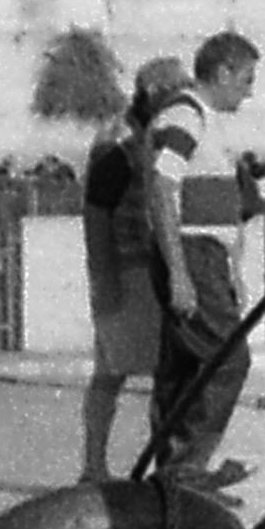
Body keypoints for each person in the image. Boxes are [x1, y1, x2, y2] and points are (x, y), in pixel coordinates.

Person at [157, 31, 264, 481]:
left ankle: (175, 475)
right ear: (222, 73)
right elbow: (162, 188)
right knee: (228, 359)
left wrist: (232, 268)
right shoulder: (185, 115)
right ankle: (186, 469)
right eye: (245, 80)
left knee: (186, 367)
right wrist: (179, 271)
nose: (249, 92)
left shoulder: (205, 120)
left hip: (208, 257)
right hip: (194, 253)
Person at [77, 84, 189, 483]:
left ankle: (167, 467)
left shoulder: (166, 160)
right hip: (128, 277)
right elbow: (96, 224)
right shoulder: (117, 160)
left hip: (156, 275)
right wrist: (104, 280)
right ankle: (94, 465)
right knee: (112, 374)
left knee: (165, 375)